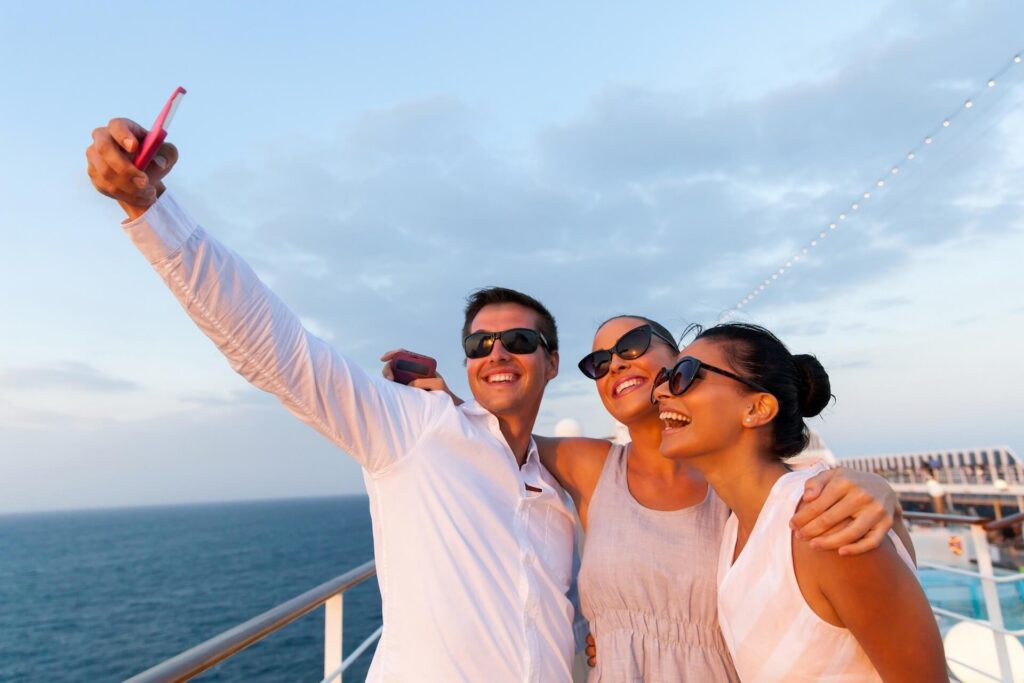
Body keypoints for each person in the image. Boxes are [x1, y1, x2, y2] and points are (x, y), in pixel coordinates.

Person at [86, 118, 577, 681]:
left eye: (518, 341)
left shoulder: (559, 491)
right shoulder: (416, 429)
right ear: (465, 358)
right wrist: (150, 210)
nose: (497, 354)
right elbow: (279, 349)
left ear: (552, 362)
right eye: (479, 342)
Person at [390, 316, 908, 681]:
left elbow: (793, 494)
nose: (615, 363)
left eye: (634, 345)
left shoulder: (735, 480)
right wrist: (449, 402)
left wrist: (881, 491)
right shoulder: (593, 467)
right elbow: (501, 440)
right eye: (598, 361)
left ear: (678, 364)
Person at [653, 323, 946, 681]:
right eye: (665, 376)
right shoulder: (736, 528)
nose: (662, 391)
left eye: (684, 374)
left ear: (757, 408)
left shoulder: (823, 522)